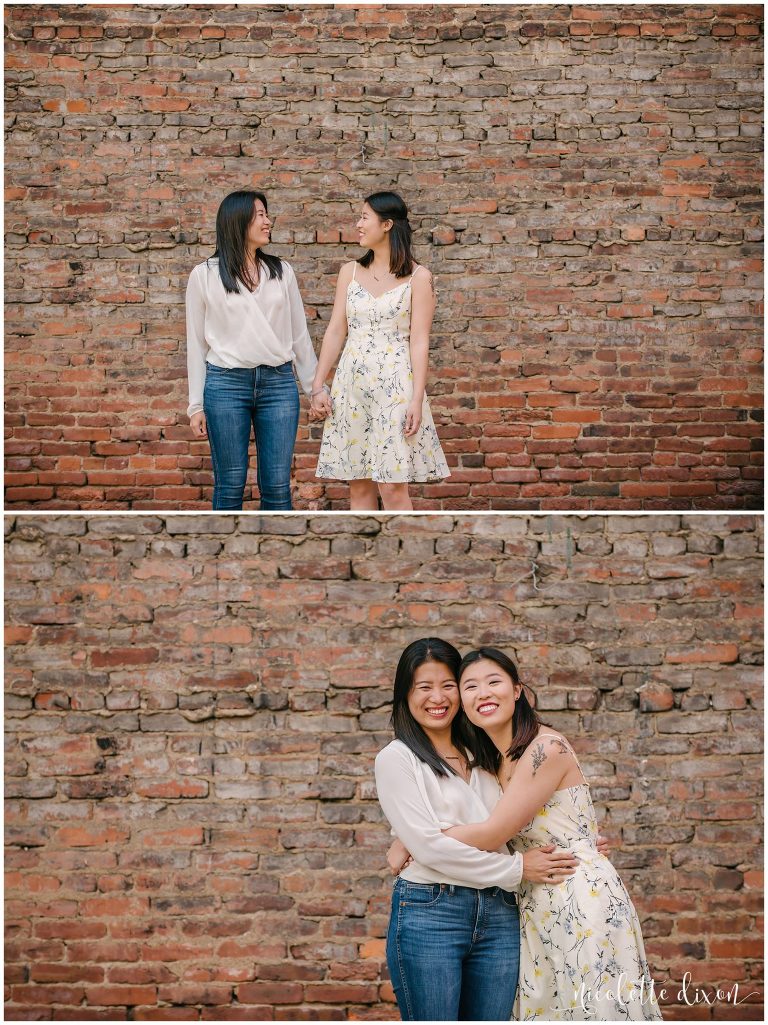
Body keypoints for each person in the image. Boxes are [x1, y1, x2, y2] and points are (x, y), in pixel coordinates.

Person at [375, 638, 593, 1022]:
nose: (437, 697)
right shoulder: (397, 759)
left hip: (500, 913)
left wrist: (574, 841)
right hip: (432, 911)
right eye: (423, 687)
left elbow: (510, 826)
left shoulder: (487, 755)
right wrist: (518, 869)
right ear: (404, 696)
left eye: (448, 685)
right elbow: (431, 849)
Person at [445, 647, 663, 1021]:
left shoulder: (546, 747)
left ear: (516, 690)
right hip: (532, 902)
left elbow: (495, 831)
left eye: (494, 681)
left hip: (578, 895)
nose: (483, 693)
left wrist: (417, 838)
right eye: (471, 686)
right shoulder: (487, 763)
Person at [311, 191, 449, 510]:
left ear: (386, 224)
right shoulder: (350, 272)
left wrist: (416, 397)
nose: (358, 224)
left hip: (395, 386)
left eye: (364, 217)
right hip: (351, 385)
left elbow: (419, 340)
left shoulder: (419, 277)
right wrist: (318, 385)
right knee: (359, 484)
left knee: (392, 485)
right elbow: (335, 329)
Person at [185, 190, 318, 510]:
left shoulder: (282, 271)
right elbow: (196, 343)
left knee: (276, 485)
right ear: (237, 220)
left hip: (278, 385)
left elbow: (299, 335)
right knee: (230, 484)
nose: (268, 221)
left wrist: (316, 388)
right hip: (225, 385)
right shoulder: (204, 275)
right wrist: (195, 405)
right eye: (260, 214)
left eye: (266, 214)